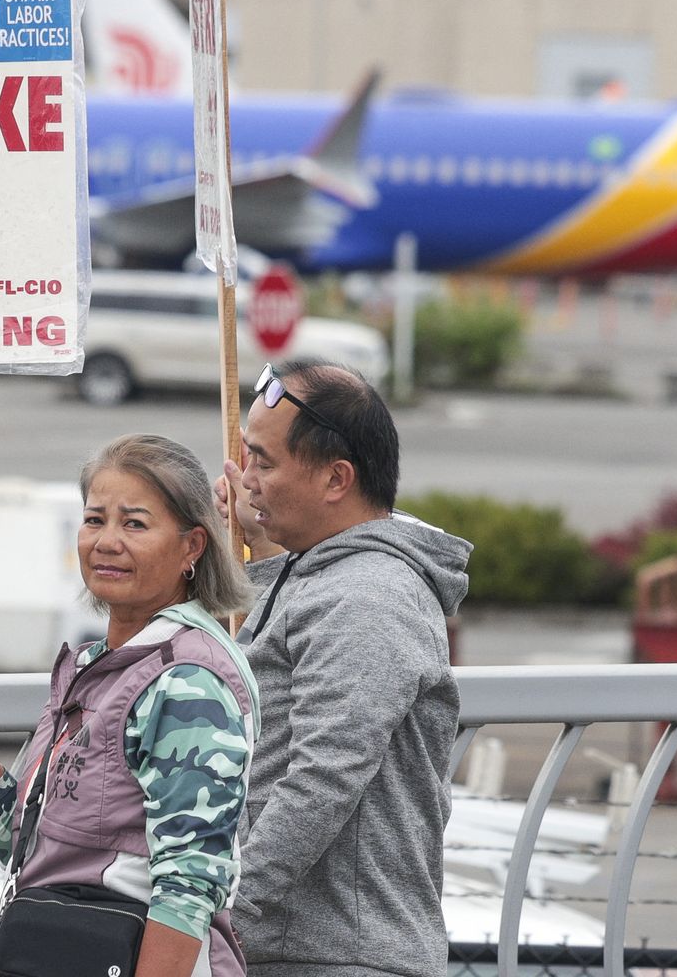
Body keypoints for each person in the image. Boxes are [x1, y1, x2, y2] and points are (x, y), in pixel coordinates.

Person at [0, 433, 260, 977]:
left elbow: (190, 882)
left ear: (192, 547)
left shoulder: (186, 678)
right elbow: (36, 847)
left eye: (135, 523)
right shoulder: (101, 666)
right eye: (95, 519)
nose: (106, 541)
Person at [214, 359, 471, 977]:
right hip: (307, 950)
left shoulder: (366, 597)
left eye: (264, 463)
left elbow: (322, 779)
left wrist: (218, 919)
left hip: (340, 956)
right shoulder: (329, 577)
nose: (244, 480)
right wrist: (269, 548)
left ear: (336, 479)